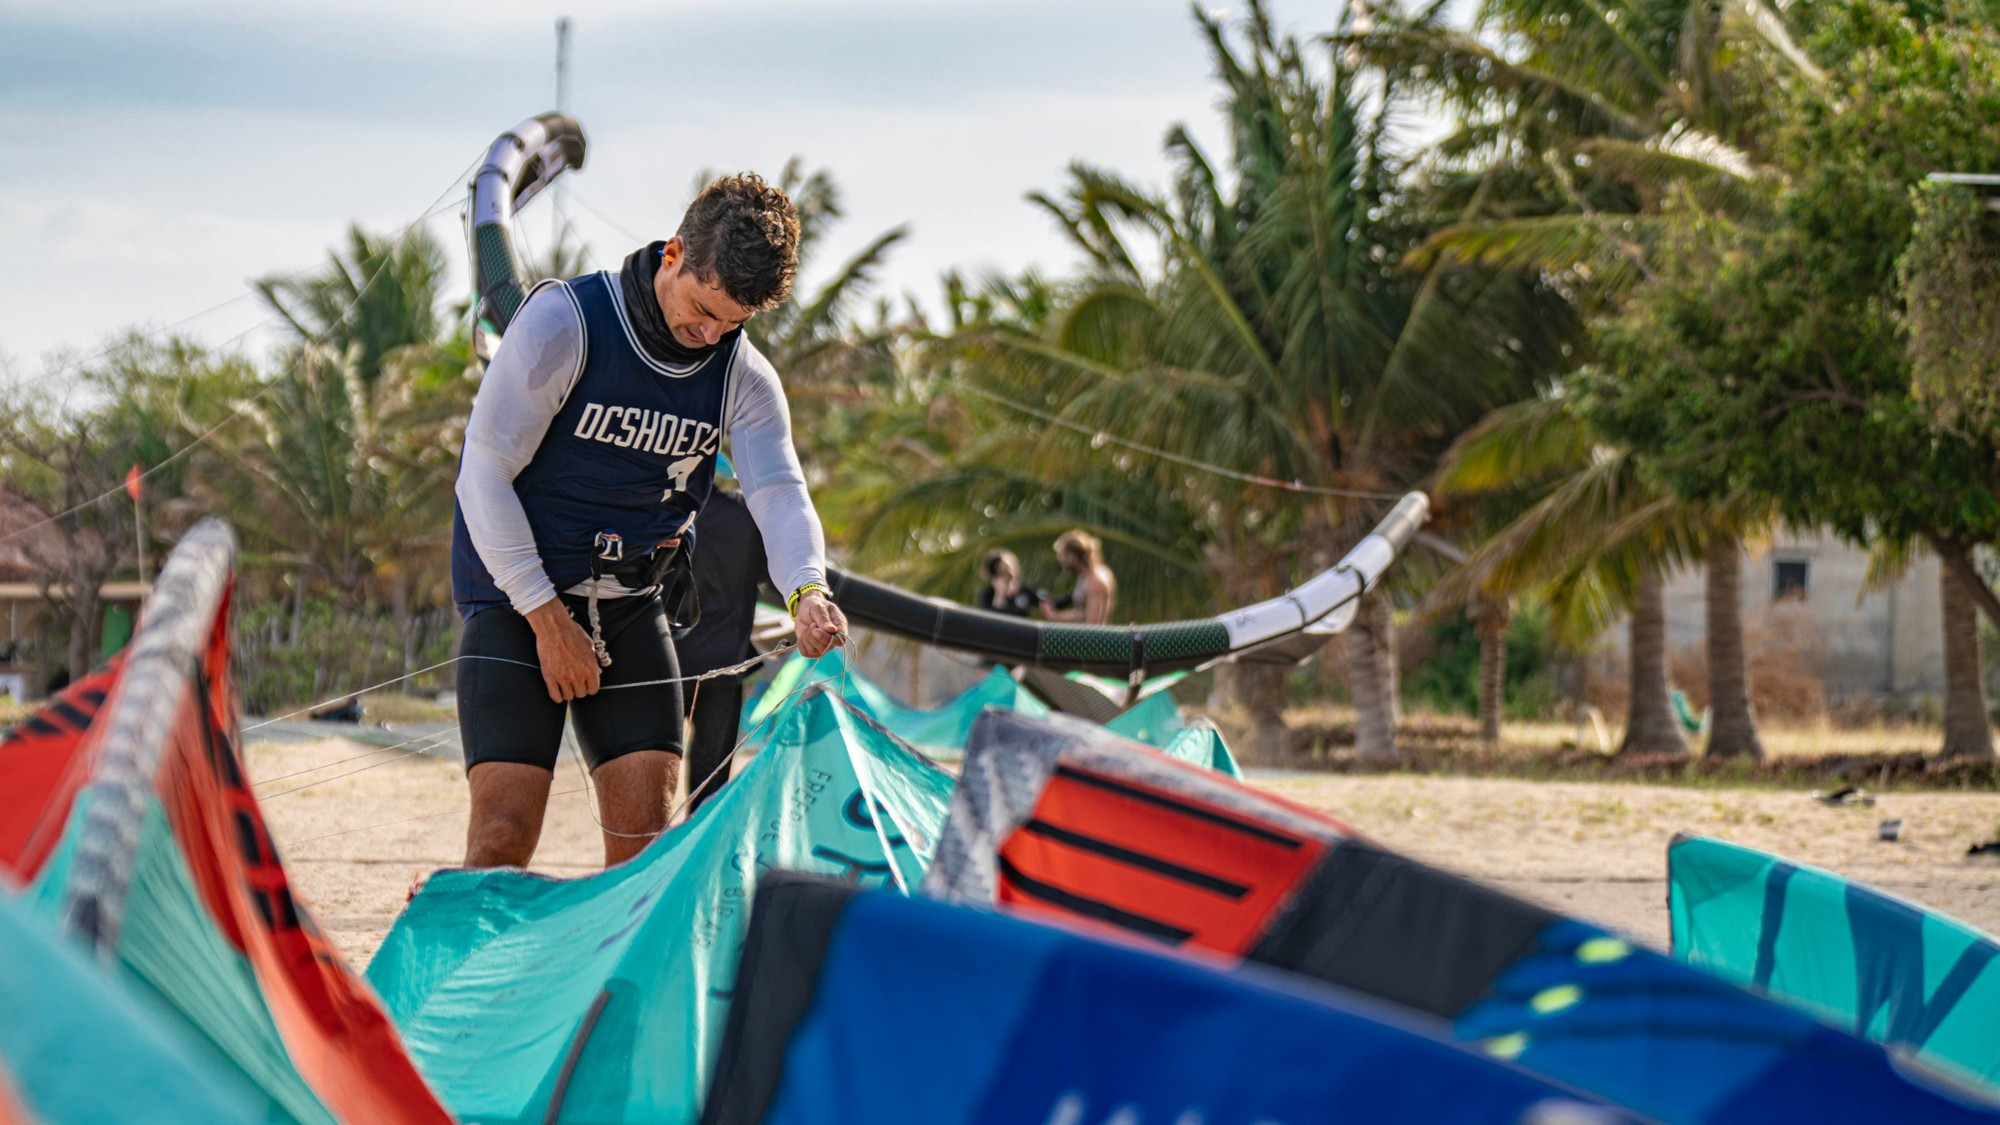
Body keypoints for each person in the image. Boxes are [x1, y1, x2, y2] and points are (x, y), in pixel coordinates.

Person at [451, 173, 847, 870]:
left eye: (732, 322)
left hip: (631, 605)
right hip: (517, 600)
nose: (711, 333)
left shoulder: (743, 377)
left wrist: (807, 589)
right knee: (502, 836)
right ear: (673, 255)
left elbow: (779, 490)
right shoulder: (564, 323)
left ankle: (617, 983)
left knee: (644, 850)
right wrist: (548, 620)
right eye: (702, 308)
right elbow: (483, 471)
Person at [677, 477, 767, 814]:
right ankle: (699, 847)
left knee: (652, 769)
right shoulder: (744, 516)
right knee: (710, 780)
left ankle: (644, 858)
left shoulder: (661, 512)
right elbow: (771, 575)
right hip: (724, 661)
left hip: (665, 662)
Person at [1042, 529, 1116, 625]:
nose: (1060, 560)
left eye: (1063, 555)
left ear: (1073, 555)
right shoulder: (1085, 577)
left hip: (1091, 639)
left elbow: (1093, 623)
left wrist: (1056, 617)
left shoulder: (1095, 581)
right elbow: (1082, 613)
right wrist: (1055, 616)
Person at [976, 548, 1038, 617]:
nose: (1011, 574)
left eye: (1013, 567)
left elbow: (1045, 601)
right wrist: (999, 594)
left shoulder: (1026, 591)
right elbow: (991, 617)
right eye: (1004, 571)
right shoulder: (988, 595)